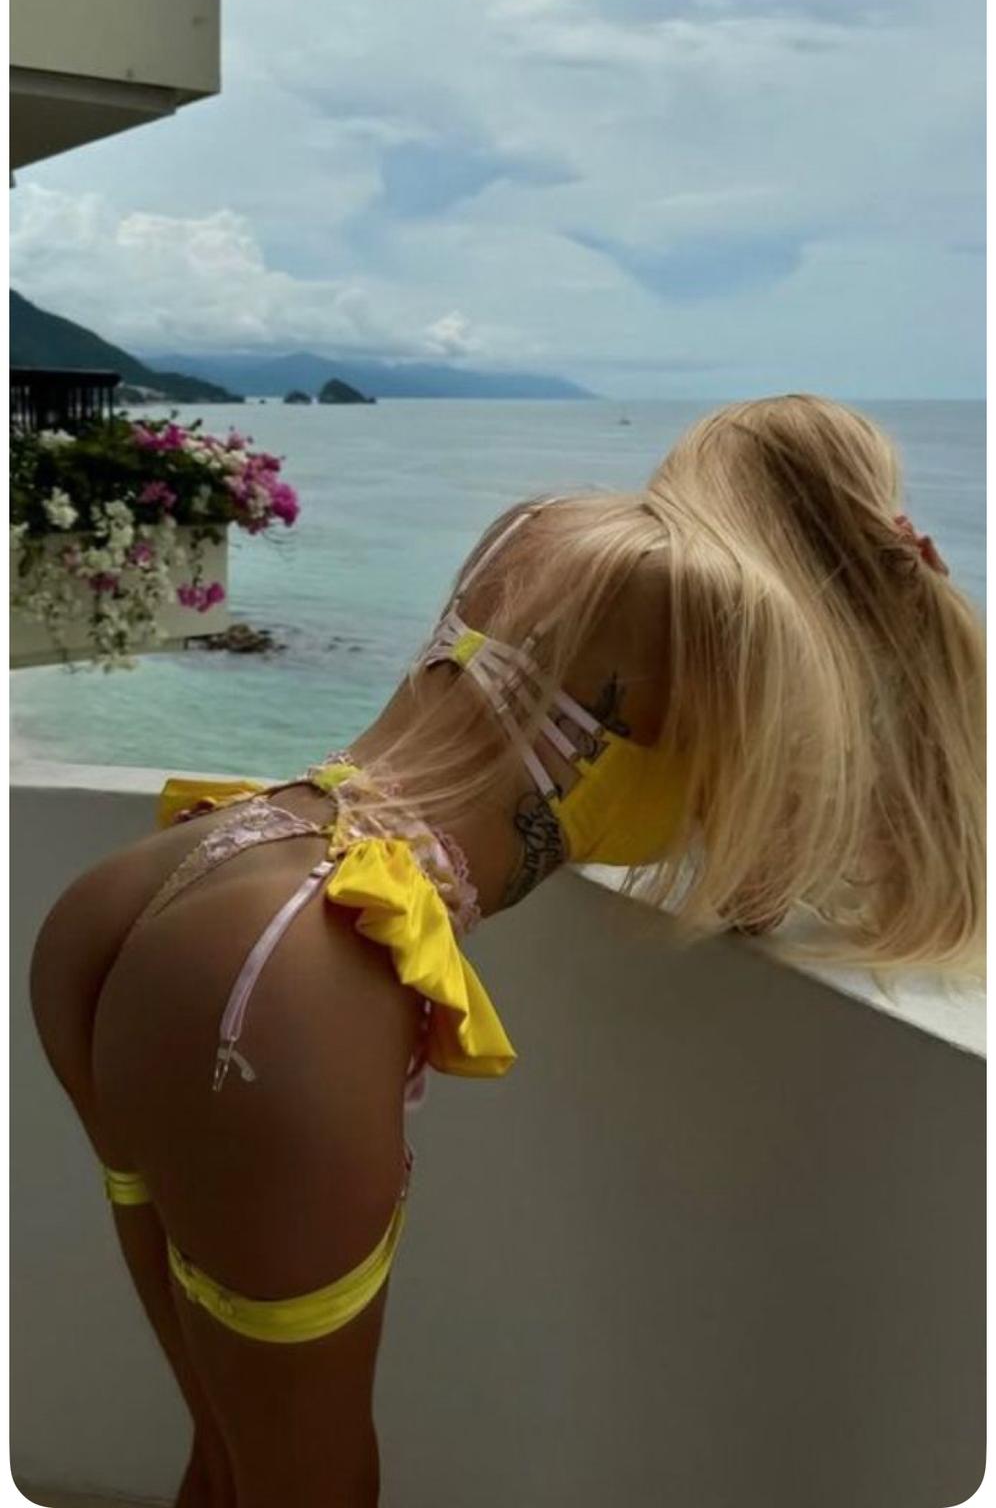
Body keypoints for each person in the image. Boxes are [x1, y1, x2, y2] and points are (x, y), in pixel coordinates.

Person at [29, 395, 984, 1508]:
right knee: (310, 1480)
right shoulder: (730, 616)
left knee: (227, 1445)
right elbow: (770, 883)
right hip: (278, 970)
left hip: (176, 873)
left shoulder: (544, 526)